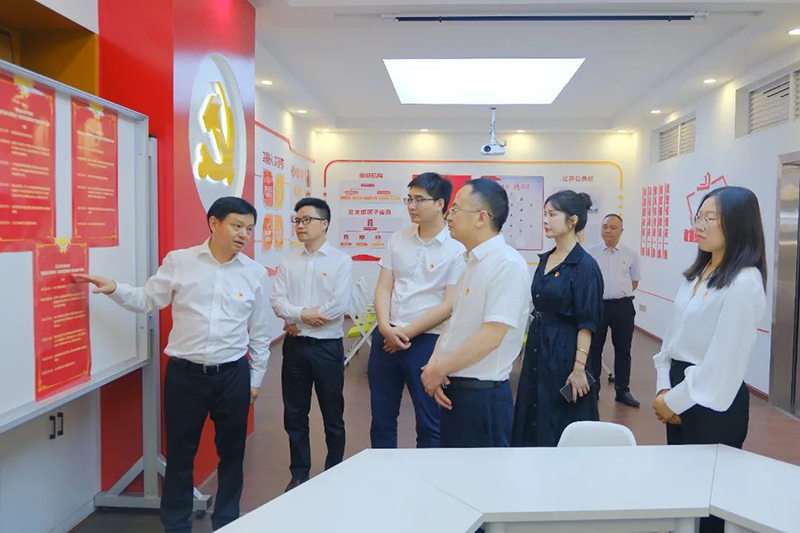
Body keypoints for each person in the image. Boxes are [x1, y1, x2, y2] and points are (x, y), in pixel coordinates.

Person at [75, 197, 271, 533]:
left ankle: (226, 522)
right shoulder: (181, 262)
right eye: (237, 226)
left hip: (232, 375)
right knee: (181, 455)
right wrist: (115, 289)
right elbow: (147, 298)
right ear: (214, 223)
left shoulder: (254, 273)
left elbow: (262, 332)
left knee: (232, 454)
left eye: (249, 229)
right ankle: (176, 525)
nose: (243, 234)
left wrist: (255, 380)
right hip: (186, 375)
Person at [653, 186, 766, 533]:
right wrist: (662, 389)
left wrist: (673, 401)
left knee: (707, 504)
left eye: (710, 218)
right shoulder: (697, 274)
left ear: (737, 223)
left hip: (713, 403)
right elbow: (670, 342)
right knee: (682, 491)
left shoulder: (744, 282)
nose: (699, 225)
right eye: (698, 217)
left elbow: (722, 365)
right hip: (679, 391)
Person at [420, 178, 530, 448]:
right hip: (456, 387)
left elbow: (492, 336)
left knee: (483, 473)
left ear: (482, 217)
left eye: (456, 209)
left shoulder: (507, 264)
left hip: (483, 396)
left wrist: (440, 369)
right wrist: (435, 365)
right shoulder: (471, 262)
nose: (449, 216)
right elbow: (455, 323)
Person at [369, 173, 465, 449]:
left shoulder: (457, 248)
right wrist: (384, 327)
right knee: (382, 420)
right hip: (386, 338)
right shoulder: (398, 239)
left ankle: (427, 475)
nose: (412, 206)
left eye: (419, 200)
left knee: (430, 423)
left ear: (440, 204)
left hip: (427, 343)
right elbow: (384, 286)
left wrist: (405, 333)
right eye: (409, 199)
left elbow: (449, 304)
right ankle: (382, 471)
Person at [270, 197, 353, 492]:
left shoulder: (341, 261)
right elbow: (277, 301)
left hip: (327, 349)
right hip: (295, 349)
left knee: (333, 414)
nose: (300, 225)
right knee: (294, 414)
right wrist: (303, 315)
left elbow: (338, 306)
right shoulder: (288, 262)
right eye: (297, 220)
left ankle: (335, 469)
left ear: (324, 224)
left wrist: (297, 319)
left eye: (306, 220)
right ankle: (299, 473)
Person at [512, 190, 604, 447]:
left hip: (564, 348)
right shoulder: (546, 260)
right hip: (538, 344)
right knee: (534, 405)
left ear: (572, 220)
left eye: (552, 214)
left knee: (558, 413)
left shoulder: (585, 266)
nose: (545, 220)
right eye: (544, 214)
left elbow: (587, 324)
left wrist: (579, 369)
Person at [587, 214, 642, 407]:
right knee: (594, 350)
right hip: (598, 306)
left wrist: (618, 293)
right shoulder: (591, 253)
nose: (608, 230)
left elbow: (634, 281)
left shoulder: (630, 254)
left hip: (623, 307)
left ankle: (622, 391)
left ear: (621, 231)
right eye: (605, 227)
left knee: (623, 350)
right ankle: (593, 390)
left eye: (613, 227)